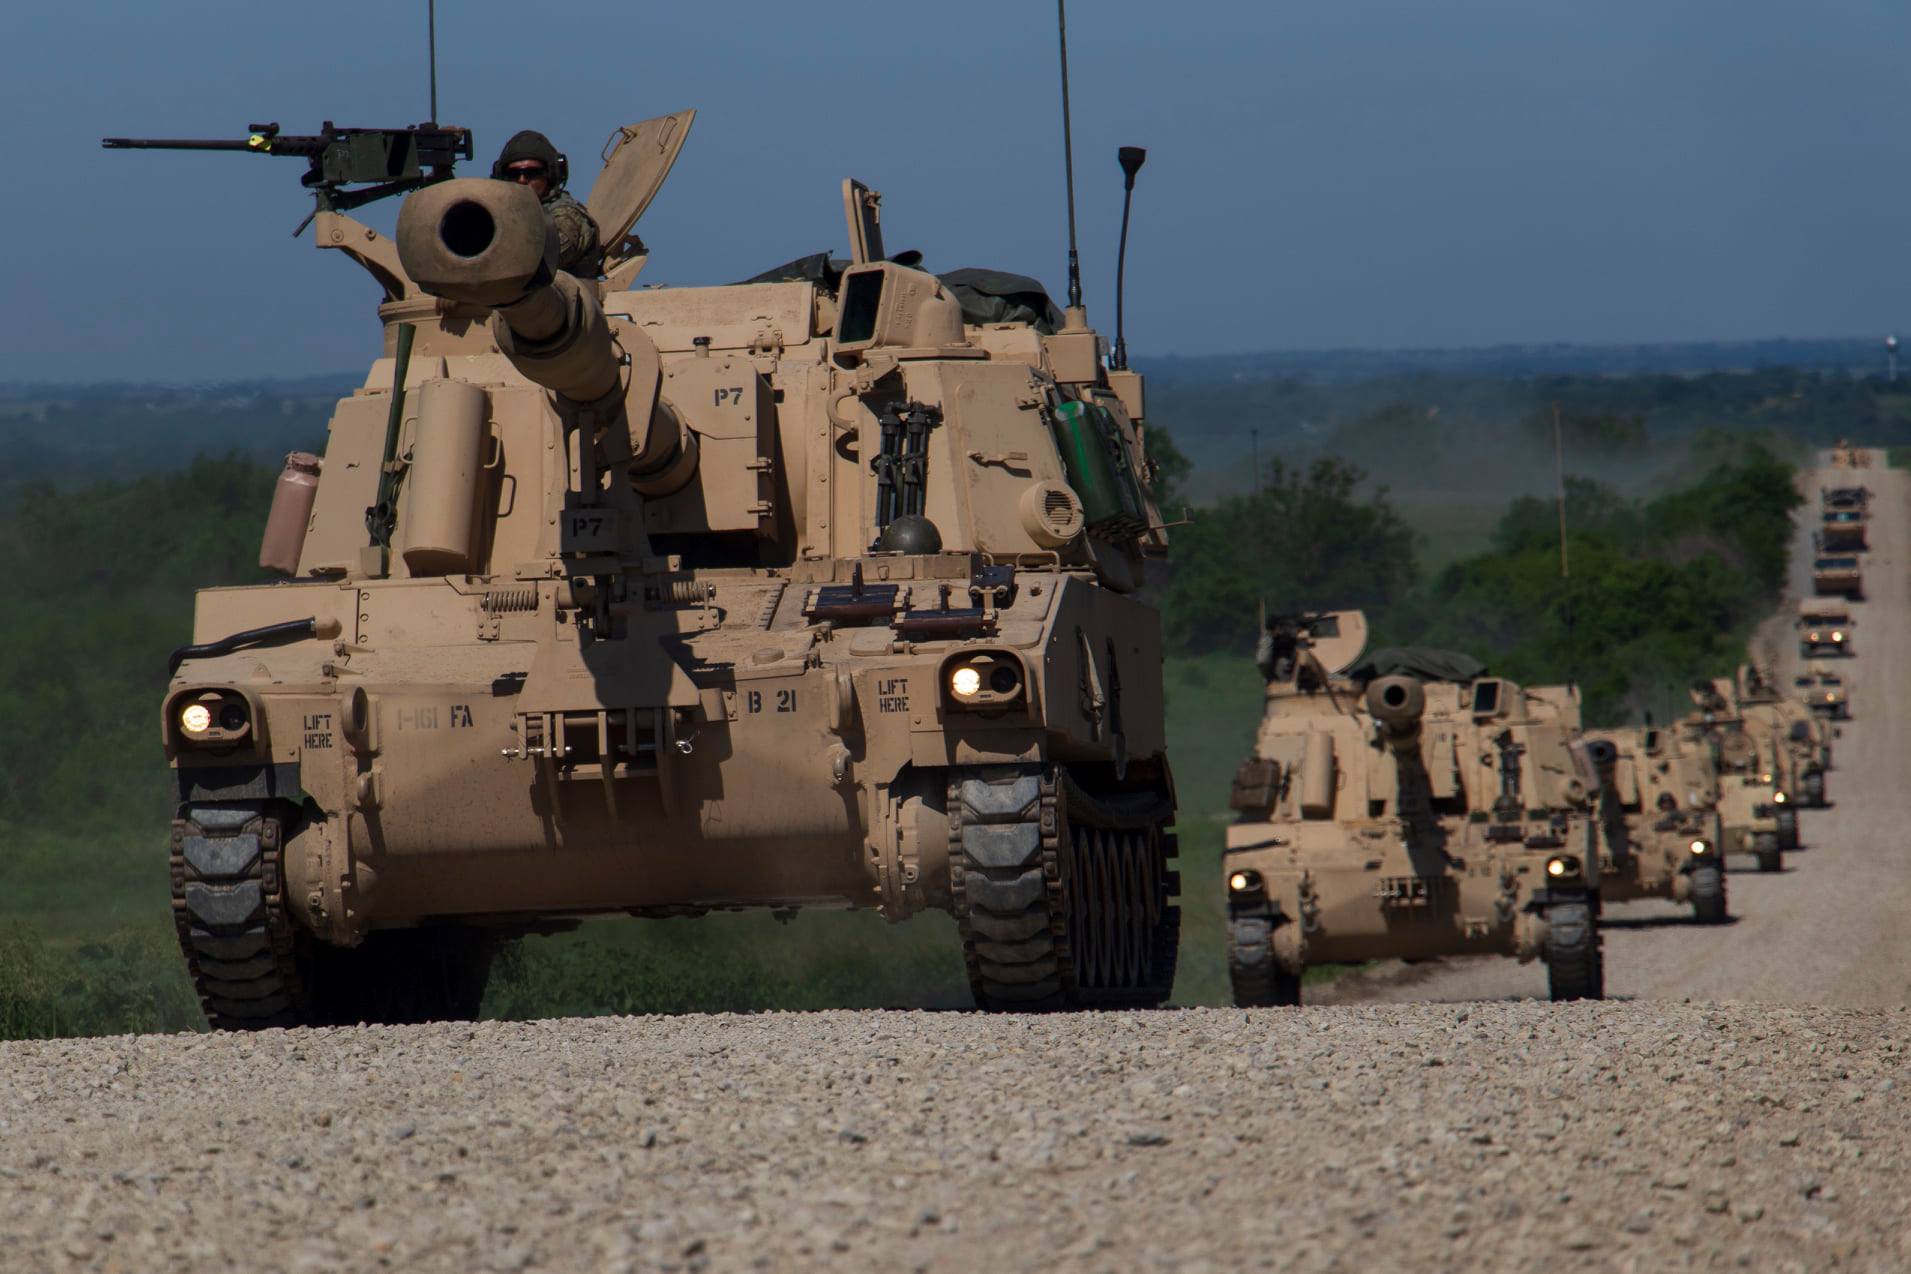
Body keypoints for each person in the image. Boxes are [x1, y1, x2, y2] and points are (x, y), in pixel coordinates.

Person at [491, 130, 603, 277]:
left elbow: (538, 263)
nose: (522, 180)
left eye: (532, 173)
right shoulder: (501, 215)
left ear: (550, 175)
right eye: (513, 174)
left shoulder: (567, 217)